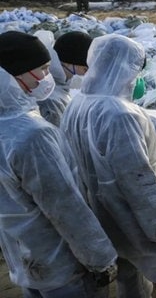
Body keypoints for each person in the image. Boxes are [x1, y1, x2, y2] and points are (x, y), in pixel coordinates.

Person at [60, 34, 156, 297]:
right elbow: (137, 178)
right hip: (129, 216)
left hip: (99, 213)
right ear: (125, 69)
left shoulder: (77, 104)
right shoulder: (120, 114)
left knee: (130, 273)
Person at [0, 31, 118, 297]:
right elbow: (64, 205)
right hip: (60, 262)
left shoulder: (9, 125)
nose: (47, 76)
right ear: (16, 75)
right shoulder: (33, 133)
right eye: (41, 69)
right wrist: (100, 256)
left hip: (23, 258)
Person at [36, 30, 93, 126]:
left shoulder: (60, 86)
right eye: (85, 70)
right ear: (68, 63)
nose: (85, 75)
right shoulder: (50, 97)